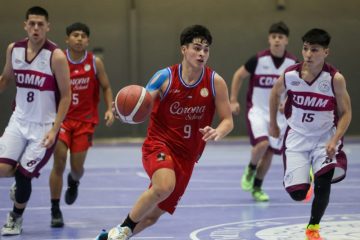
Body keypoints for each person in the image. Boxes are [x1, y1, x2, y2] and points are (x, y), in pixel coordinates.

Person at [95, 24, 234, 240]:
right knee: (163, 186)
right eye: (197, 48)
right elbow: (142, 101)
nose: (202, 53)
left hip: (188, 156)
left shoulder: (216, 82)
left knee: (152, 217)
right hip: (159, 144)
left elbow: (228, 120)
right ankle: (124, 227)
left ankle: (113, 236)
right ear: (183, 49)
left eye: (206, 49)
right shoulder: (164, 77)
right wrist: (124, 111)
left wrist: (218, 131)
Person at [269, 28, 352, 240]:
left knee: (323, 183)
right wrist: (273, 123)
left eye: (314, 50)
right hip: (297, 136)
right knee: (297, 194)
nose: (308, 54)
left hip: (324, 138)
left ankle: (313, 228)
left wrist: (335, 139)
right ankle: (304, 178)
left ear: (326, 52)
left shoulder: (335, 79)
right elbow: (274, 94)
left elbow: (346, 113)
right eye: (305, 49)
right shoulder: (289, 76)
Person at [0, 6, 71, 236]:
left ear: (48, 27)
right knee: (3, 169)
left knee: (23, 176)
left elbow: (66, 96)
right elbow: (6, 79)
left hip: (44, 128)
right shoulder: (14, 49)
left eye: (41, 24)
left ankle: (15, 218)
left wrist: (55, 129)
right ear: (25, 25)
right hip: (18, 121)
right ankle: (21, 182)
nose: (36, 28)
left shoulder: (56, 56)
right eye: (32, 23)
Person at [48, 22, 114, 227]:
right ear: (67, 39)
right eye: (75, 35)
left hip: (85, 122)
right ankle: (55, 209)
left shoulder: (95, 62)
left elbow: (106, 86)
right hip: (62, 120)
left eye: (83, 35)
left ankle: (74, 181)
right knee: (58, 162)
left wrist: (110, 108)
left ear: (88, 40)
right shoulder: (58, 61)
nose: (79, 38)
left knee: (77, 168)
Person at [229, 21, 297, 201]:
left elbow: (298, 88)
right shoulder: (258, 60)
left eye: (280, 37)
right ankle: (251, 169)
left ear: (286, 41)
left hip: (279, 116)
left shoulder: (292, 64)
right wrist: (233, 99)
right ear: (269, 39)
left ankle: (257, 188)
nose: (276, 40)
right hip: (257, 111)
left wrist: (288, 101)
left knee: (269, 154)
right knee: (262, 144)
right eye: (274, 37)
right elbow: (238, 75)